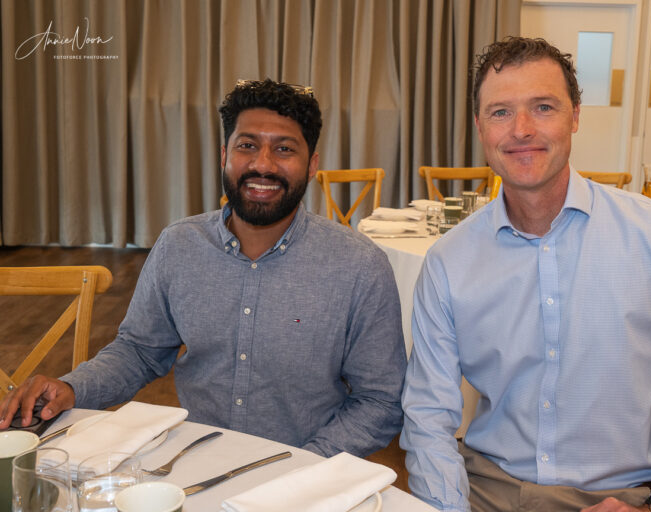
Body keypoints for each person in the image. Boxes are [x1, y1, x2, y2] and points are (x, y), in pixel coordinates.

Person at [400, 36, 651, 512]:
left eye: (543, 107)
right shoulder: (448, 261)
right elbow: (427, 416)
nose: (521, 129)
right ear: (479, 127)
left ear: (575, 116)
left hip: (627, 496)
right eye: (500, 112)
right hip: (487, 490)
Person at [0, 79, 407, 458]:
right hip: (196, 463)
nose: (263, 164)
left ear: (312, 164)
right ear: (225, 155)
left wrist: (303, 466)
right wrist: (71, 387)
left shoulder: (359, 266)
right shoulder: (180, 246)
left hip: (307, 475)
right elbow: (140, 351)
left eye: (284, 149)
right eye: (247, 145)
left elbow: (380, 401)